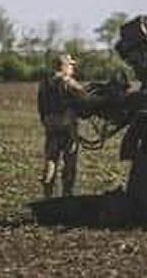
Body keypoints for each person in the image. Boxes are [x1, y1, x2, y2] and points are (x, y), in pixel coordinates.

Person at [37, 54, 89, 198]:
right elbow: (84, 98)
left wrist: (45, 120)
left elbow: (40, 106)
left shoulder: (44, 83)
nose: (72, 68)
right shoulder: (67, 82)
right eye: (71, 65)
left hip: (50, 124)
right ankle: (67, 194)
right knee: (69, 160)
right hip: (67, 126)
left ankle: (47, 193)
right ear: (64, 66)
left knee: (51, 159)